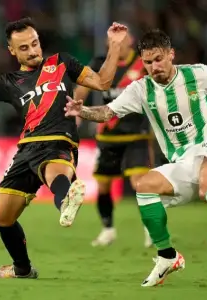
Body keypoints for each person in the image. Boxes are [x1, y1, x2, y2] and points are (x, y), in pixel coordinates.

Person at [0, 17, 128, 279]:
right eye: (24, 48)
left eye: (35, 43)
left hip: (58, 139)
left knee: (54, 171)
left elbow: (102, 82)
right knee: (2, 219)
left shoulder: (62, 62)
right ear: (11, 51)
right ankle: (22, 268)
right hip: (25, 149)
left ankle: (66, 196)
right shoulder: (8, 82)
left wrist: (114, 45)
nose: (32, 51)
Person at [64, 28, 207, 287]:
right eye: (147, 62)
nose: (154, 67)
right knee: (144, 187)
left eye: (158, 59)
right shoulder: (141, 89)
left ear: (171, 55)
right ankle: (167, 256)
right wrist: (83, 110)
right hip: (182, 160)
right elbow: (108, 112)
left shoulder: (197, 73)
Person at [73, 28, 155, 247]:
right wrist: (77, 110)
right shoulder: (100, 62)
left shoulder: (142, 63)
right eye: (110, 41)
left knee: (140, 184)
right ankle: (108, 229)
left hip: (136, 134)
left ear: (130, 40)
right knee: (103, 187)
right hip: (108, 134)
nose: (115, 44)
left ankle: (150, 230)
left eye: (119, 39)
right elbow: (82, 85)